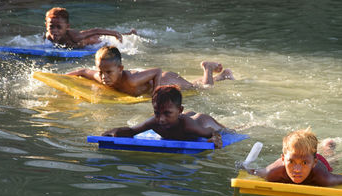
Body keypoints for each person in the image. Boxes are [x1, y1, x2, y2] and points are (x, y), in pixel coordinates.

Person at [67, 46, 234, 97]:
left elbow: (157, 71)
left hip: (164, 79)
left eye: (108, 72)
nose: (103, 77)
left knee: (202, 89)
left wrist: (156, 94)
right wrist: (60, 78)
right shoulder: (101, 75)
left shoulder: (131, 79)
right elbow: (83, 71)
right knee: (193, 85)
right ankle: (224, 75)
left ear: (120, 69)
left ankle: (208, 67)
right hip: (150, 80)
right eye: (101, 72)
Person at [102, 85, 228, 148]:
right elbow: (132, 131)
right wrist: (114, 132)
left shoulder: (188, 125)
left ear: (180, 110)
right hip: (178, 117)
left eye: (166, 113)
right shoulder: (154, 122)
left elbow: (211, 132)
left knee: (229, 130)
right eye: (157, 113)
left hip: (202, 121)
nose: (161, 119)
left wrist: (216, 138)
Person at [245, 128, 342, 187]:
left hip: (319, 162)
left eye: (303, 163)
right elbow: (251, 172)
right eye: (291, 162)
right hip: (307, 156)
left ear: (314, 163)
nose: (297, 169)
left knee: (332, 162)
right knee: (304, 155)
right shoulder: (271, 172)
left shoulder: (324, 177)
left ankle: (329, 148)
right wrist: (242, 166)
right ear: (283, 159)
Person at [45, 7, 137, 48]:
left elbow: (96, 31)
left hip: (95, 40)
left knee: (105, 39)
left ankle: (130, 33)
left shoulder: (75, 36)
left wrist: (116, 34)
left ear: (67, 27)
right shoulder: (48, 36)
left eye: (59, 27)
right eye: (51, 27)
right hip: (81, 40)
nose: (54, 31)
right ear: (46, 26)